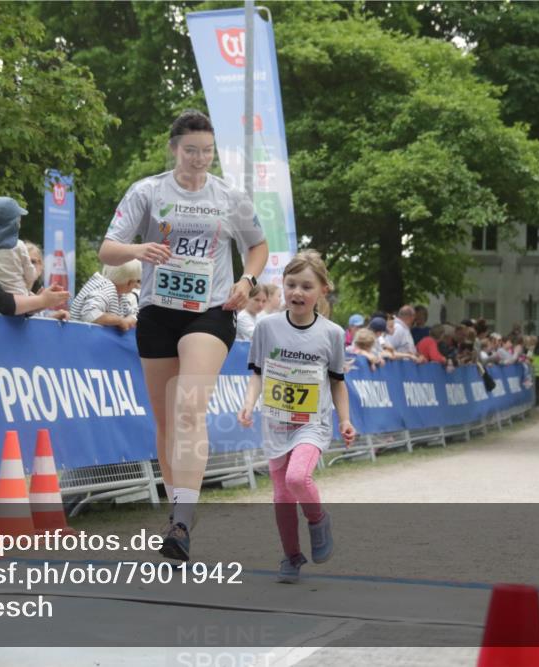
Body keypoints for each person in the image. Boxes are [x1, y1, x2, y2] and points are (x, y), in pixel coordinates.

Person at [99, 109, 269, 561]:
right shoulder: (148, 192)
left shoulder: (229, 197)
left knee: (190, 407)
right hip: (158, 310)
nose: (199, 159)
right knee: (166, 421)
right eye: (191, 150)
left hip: (211, 311)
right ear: (174, 149)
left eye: (207, 151)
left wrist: (247, 280)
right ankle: (178, 508)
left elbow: (258, 245)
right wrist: (140, 248)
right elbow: (107, 249)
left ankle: (182, 519)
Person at [237, 251, 355, 583]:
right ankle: (291, 556)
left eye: (306, 286)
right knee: (282, 495)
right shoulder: (266, 327)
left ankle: (318, 520)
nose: (297, 293)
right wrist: (248, 403)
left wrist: (345, 420)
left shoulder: (332, 333)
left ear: (322, 291)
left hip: (312, 423)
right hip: (275, 423)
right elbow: (258, 373)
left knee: (297, 478)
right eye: (291, 285)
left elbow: (337, 382)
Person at [69, 261, 141, 331]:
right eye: (137, 281)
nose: (137, 286)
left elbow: (135, 313)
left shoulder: (121, 296)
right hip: (79, 335)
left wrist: (128, 320)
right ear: (129, 282)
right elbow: (89, 315)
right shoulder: (106, 289)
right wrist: (120, 321)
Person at [525, 336, 539, 408]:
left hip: (532, 372)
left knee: (532, 389)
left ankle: (534, 404)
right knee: (538, 389)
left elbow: (528, 360)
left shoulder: (531, 350)